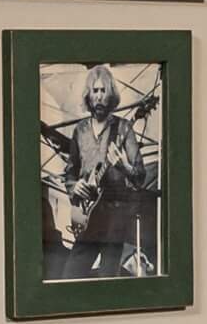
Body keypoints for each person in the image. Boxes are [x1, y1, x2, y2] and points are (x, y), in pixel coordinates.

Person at [43, 66, 156, 282]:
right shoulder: (80, 131)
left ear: (111, 94)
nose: (99, 96)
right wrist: (74, 186)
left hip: (116, 215)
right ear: (88, 94)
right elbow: (69, 172)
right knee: (71, 275)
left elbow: (140, 176)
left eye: (104, 91)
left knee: (108, 279)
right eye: (95, 91)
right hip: (88, 216)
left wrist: (124, 166)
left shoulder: (124, 129)